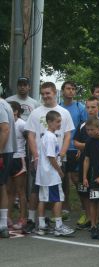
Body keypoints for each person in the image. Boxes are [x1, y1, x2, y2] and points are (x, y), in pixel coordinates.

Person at [23, 82, 74, 234]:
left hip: (57, 160)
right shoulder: (36, 112)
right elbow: (30, 136)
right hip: (43, 161)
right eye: (43, 93)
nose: (45, 96)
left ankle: (45, 223)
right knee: (37, 191)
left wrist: (63, 154)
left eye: (48, 93)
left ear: (54, 93)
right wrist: (36, 156)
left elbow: (67, 135)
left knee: (51, 193)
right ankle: (35, 220)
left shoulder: (63, 112)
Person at [35, 111, 74, 237]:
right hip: (50, 175)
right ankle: (58, 226)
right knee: (57, 199)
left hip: (43, 174)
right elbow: (51, 157)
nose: (59, 124)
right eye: (57, 121)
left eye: (60, 121)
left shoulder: (46, 136)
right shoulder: (50, 137)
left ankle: (41, 225)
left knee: (43, 198)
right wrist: (59, 170)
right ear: (50, 122)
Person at [73, 96, 99, 230]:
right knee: (84, 191)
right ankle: (89, 217)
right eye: (87, 107)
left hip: (98, 166)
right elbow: (75, 142)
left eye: (93, 107)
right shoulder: (82, 124)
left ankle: (97, 219)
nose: (90, 110)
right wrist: (87, 146)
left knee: (97, 193)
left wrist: (88, 145)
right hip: (85, 163)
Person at [60, 81, 86, 223]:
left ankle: (84, 209)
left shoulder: (80, 107)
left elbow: (84, 128)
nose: (70, 91)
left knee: (77, 179)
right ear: (63, 91)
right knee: (63, 179)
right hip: (62, 149)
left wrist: (80, 148)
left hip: (75, 149)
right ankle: (65, 208)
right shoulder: (58, 108)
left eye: (73, 89)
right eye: (68, 89)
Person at [7, 101, 27, 230]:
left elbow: (30, 139)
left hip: (19, 159)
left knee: (20, 191)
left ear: (16, 112)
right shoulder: (5, 123)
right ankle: (7, 217)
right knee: (9, 192)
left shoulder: (22, 124)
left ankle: (22, 218)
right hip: (8, 158)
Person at [0, 98, 16, 238]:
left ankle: (3, 225)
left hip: (3, 152)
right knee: (2, 185)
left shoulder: (0, 105)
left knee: (2, 186)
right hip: (6, 151)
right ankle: (3, 224)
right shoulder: (5, 103)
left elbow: (5, 129)